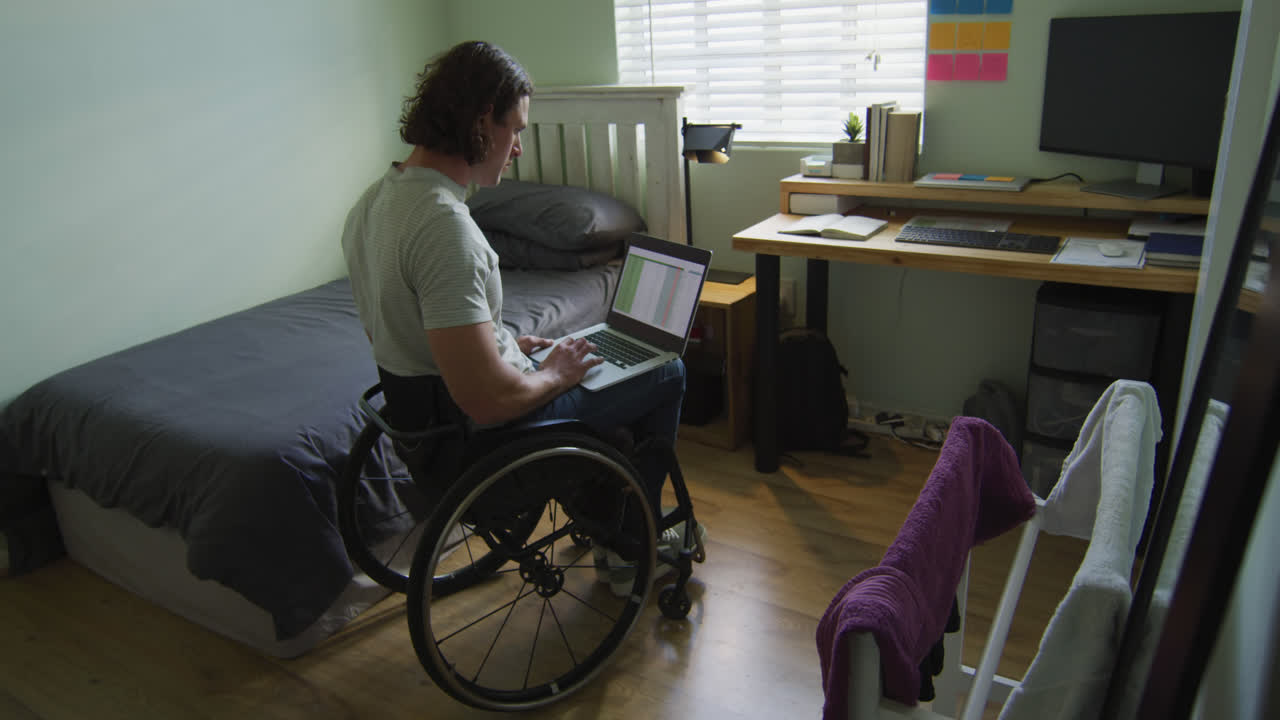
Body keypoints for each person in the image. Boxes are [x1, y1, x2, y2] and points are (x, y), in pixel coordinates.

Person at [340, 41, 702, 588]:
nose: (517, 151)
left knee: (589, 352)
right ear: (482, 121)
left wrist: (501, 345)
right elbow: (488, 401)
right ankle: (629, 544)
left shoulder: (373, 202)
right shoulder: (444, 229)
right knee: (666, 370)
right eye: (516, 131)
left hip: (427, 433)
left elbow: (393, 330)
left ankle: (605, 507)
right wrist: (555, 375)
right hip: (483, 441)